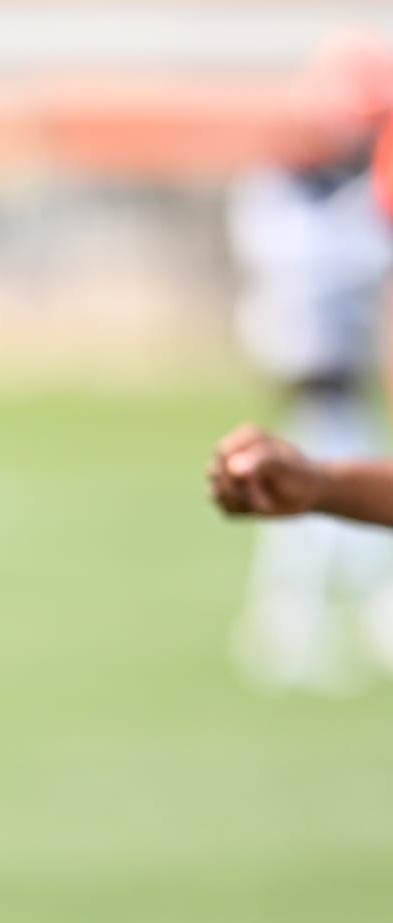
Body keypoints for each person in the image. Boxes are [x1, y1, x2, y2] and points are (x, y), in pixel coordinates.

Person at [220, 31, 393, 693]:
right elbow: (319, 257)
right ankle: (291, 622)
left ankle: (352, 613)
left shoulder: (343, 190)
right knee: (312, 492)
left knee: (333, 483)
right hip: (310, 360)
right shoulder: (285, 188)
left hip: (345, 363)